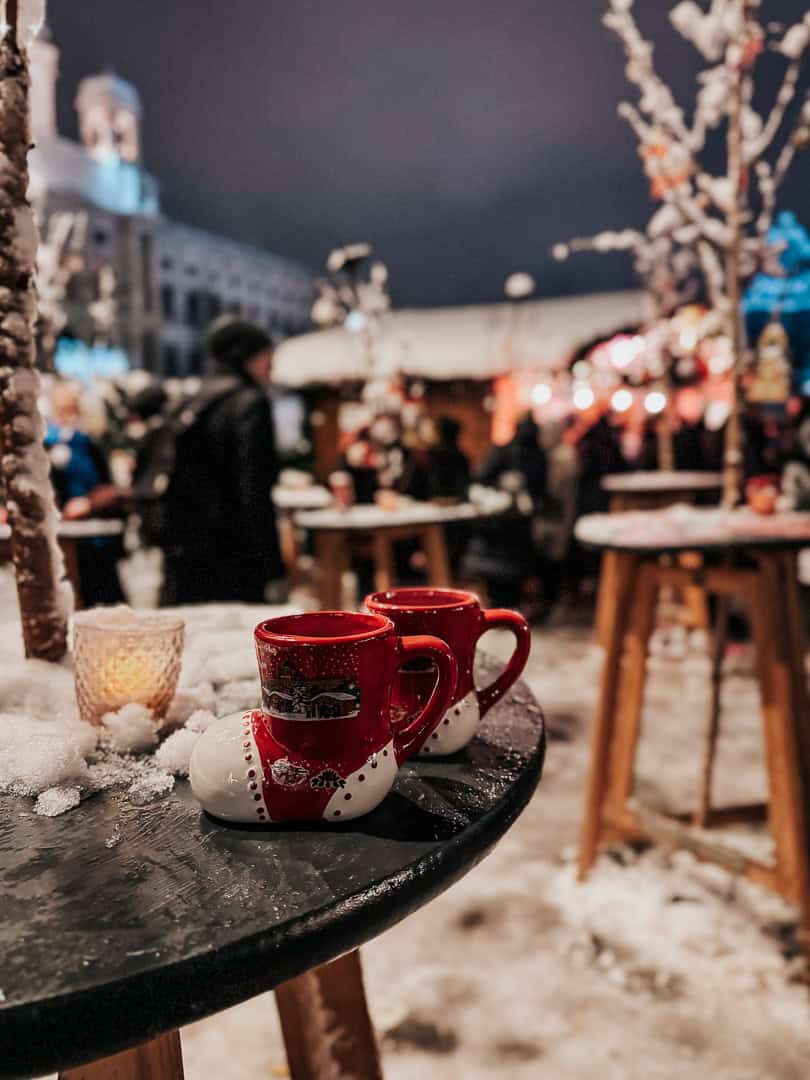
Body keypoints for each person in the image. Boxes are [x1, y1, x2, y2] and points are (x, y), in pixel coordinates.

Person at [158, 316, 284, 605]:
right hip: (234, 551)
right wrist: (273, 566)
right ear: (248, 356)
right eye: (268, 356)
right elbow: (254, 488)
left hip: (183, 549)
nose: (272, 366)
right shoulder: (249, 403)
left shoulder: (190, 399)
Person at [44, 381, 126, 606]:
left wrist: (90, 503)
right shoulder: (47, 444)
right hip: (64, 536)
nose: (67, 414)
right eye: (62, 408)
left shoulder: (90, 442)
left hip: (96, 533)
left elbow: (109, 485)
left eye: (71, 407)